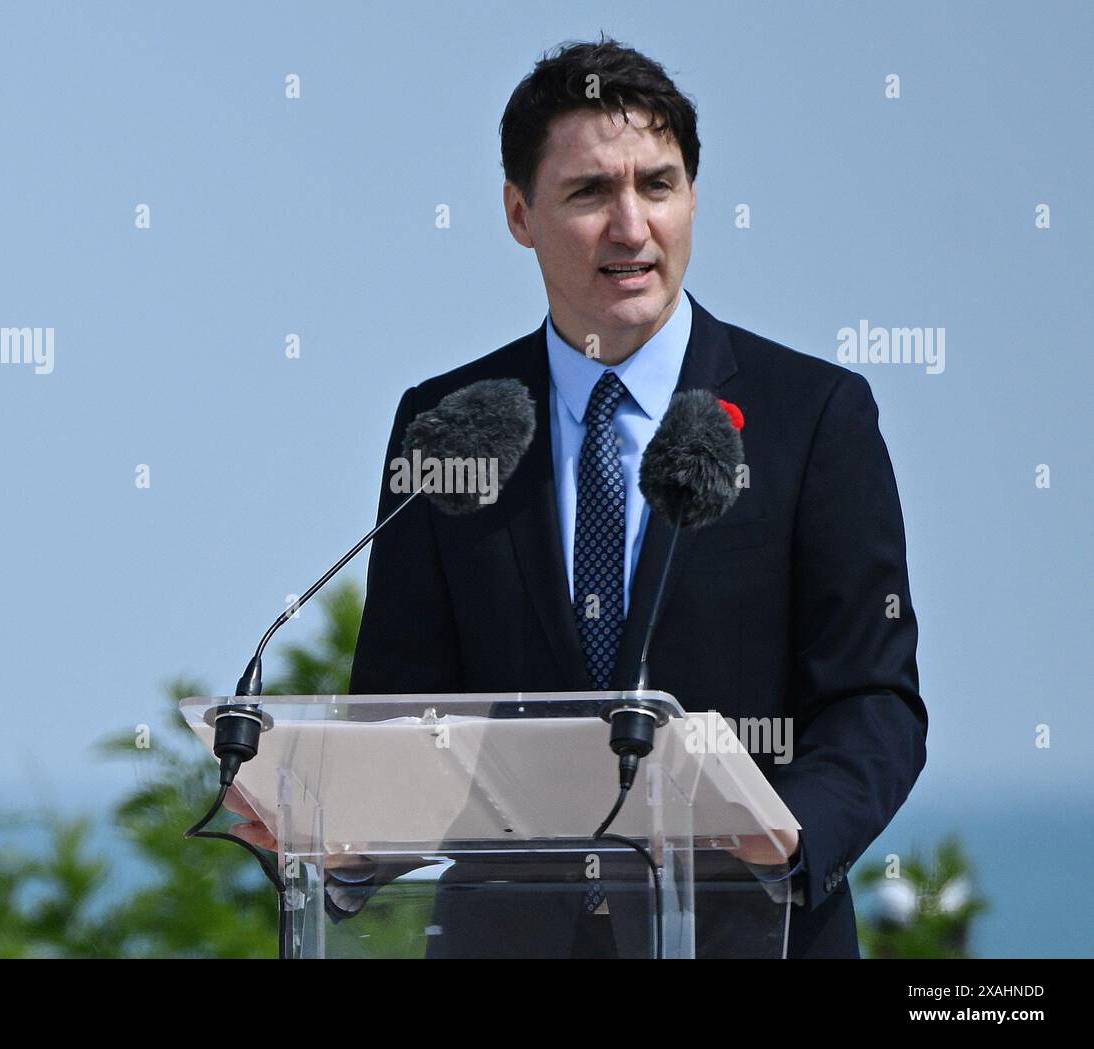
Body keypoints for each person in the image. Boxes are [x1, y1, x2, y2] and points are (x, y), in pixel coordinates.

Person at [236, 35, 928, 959]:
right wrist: (343, 845)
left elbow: (875, 700)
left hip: (749, 932)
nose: (632, 227)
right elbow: (407, 718)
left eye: (659, 184)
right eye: (591, 192)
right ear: (520, 213)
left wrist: (790, 837)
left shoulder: (812, 418)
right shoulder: (450, 424)